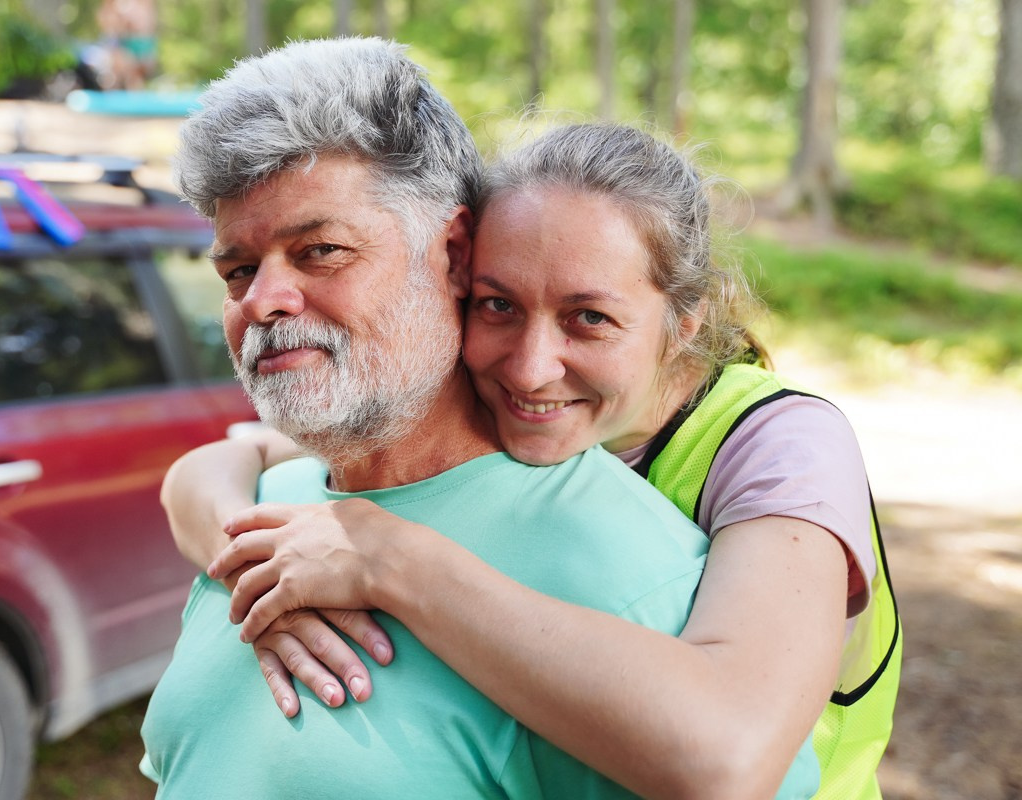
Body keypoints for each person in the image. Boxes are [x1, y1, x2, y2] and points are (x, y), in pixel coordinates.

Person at [138, 37, 822, 800]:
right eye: (237, 270)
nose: (261, 300)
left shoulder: (623, 566)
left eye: (321, 251)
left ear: (453, 253)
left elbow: (732, 757)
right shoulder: (263, 519)